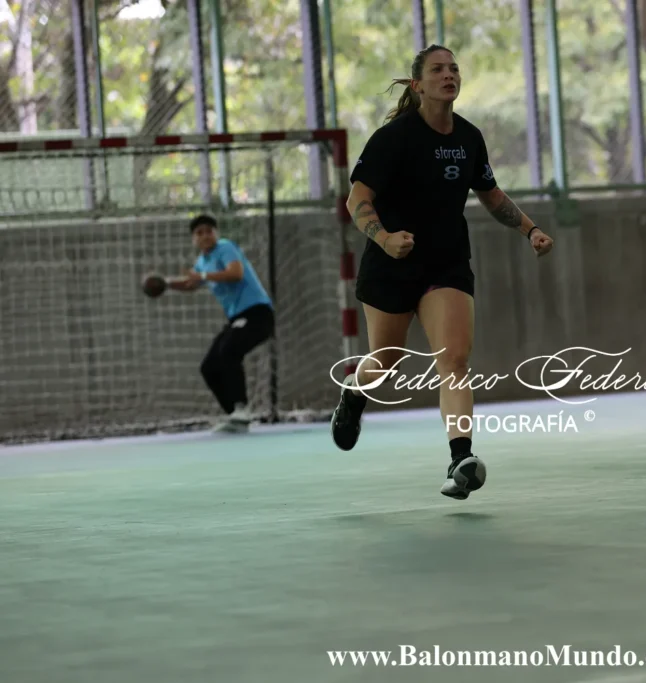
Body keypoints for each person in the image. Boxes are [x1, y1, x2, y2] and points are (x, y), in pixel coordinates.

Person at [330, 44, 554, 500]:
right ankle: (354, 392)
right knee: (385, 364)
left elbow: (491, 195)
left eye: (453, 68)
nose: (448, 74)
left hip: (446, 264)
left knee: (454, 361)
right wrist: (385, 238)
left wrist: (530, 230)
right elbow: (357, 200)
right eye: (437, 69)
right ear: (418, 84)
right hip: (391, 265)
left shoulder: (468, 137)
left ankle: (460, 459)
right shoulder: (393, 138)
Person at [166, 214, 276, 434]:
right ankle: (235, 416)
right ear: (193, 239)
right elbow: (190, 284)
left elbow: (236, 273)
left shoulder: (225, 248)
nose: (205, 236)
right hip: (238, 319)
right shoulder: (202, 261)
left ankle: (241, 408)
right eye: (199, 233)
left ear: (217, 233)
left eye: (209, 231)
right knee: (209, 367)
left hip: (257, 314)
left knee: (229, 350)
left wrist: (203, 276)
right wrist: (165, 283)